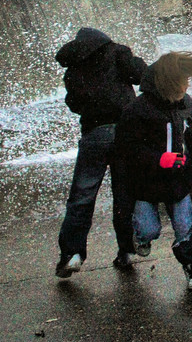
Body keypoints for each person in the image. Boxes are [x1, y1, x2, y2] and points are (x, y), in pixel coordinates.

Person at [113, 52, 192, 290]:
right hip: (145, 183)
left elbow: (190, 137)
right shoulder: (137, 109)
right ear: (167, 83)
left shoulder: (186, 104)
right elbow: (125, 148)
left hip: (178, 182)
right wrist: (158, 158)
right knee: (149, 229)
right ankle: (139, 238)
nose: (187, 86)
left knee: (185, 227)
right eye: (182, 82)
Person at [55, 28, 147, 278]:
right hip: (126, 133)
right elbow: (141, 76)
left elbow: (73, 103)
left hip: (95, 133)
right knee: (125, 193)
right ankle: (127, 251)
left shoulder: (74, 66)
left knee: (82, 195)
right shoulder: (117, 52)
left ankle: (72, 254)